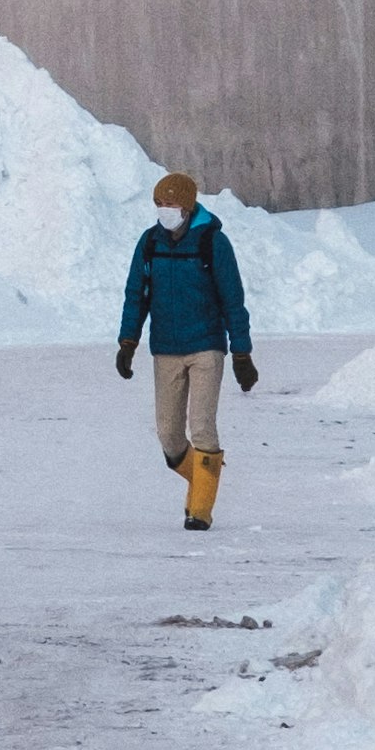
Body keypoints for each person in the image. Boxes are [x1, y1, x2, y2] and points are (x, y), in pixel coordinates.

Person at [115, 167, 256, 529]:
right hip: (166, 349)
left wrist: (241, 352)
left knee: (203, 426)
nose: (164, 209)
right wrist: (127, 342)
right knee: (170, 435)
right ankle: (205, 477)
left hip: (206, 347)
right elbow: (136, 296)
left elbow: (233, 300)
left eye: (171, 203)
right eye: (159, 203)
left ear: (188, 206)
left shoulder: (212, 243)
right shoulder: (150, 243)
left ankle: (200, 510)